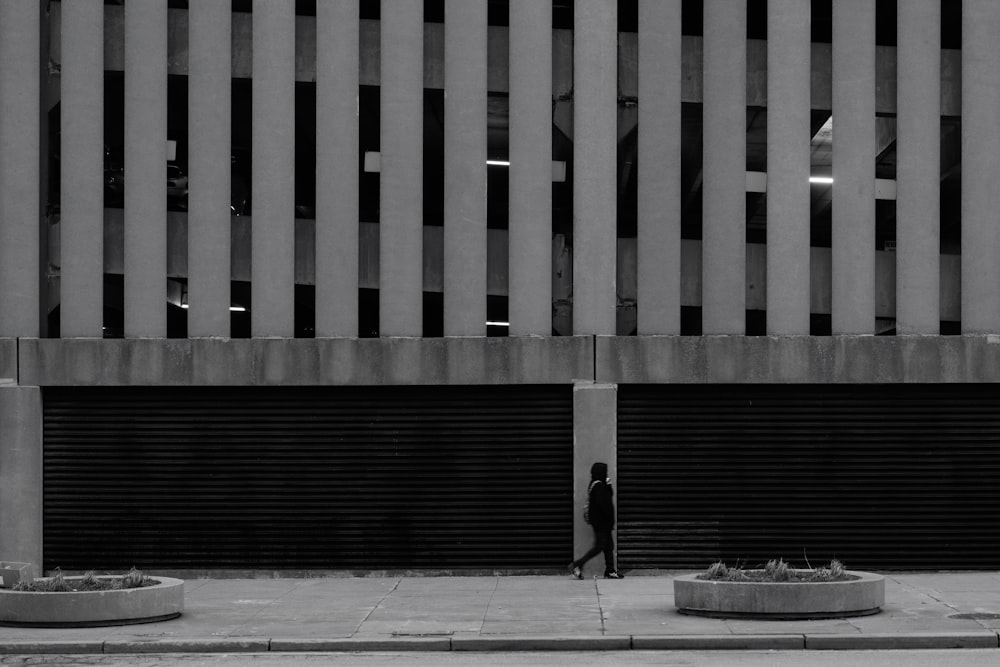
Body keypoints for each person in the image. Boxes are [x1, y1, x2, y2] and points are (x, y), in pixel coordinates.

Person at [569, 461, 624, 580]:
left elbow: (607, 498)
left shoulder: (595, 483)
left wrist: (608, 485)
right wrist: (609, 520)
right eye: (605, 472)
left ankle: (610, 570)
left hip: (602, 523)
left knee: (608, 546)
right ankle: (577, 565)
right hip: (602, 523)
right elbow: (605, 504)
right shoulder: (599, 486)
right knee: (599, 547)